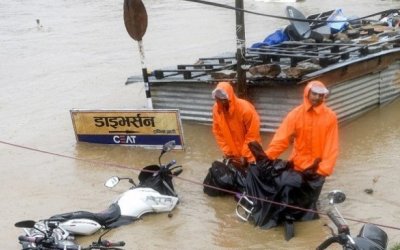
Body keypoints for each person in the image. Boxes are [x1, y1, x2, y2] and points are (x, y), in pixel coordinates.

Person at [265, 80, 339, 178]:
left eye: (321, 95)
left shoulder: (330, 116)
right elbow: (281, 139)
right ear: (307, 93)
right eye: (314, 94)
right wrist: (266, 158)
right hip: (297, 167)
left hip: (317, 170)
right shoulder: (295, 114)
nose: (317, 97)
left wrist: (323, 170)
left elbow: (331, 146)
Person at [211, 81, 262, 168]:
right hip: (233, 155)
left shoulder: (245, 109)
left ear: (229, 97)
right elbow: (218, 132)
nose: (221, 102)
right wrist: (228, 152)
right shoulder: (217, 110)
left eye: (223, 99)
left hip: (251, 154)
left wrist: (246, 155)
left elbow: (253, 135)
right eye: (218, 99)